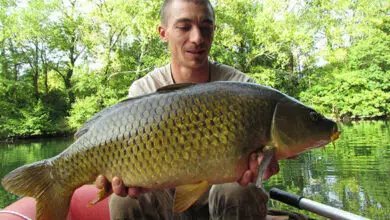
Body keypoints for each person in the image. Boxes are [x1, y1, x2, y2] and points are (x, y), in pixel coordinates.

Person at [95, 0, 279, 219]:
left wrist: (264, 167)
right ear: (163, 33)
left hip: (221, 194)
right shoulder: (144, 90)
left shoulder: (244, 89)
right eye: (184, 27)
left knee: (237, 189)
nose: (197, 38)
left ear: (214, 31)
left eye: (205, 28)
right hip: (166, 196)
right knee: (122, 201)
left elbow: (267, 157)